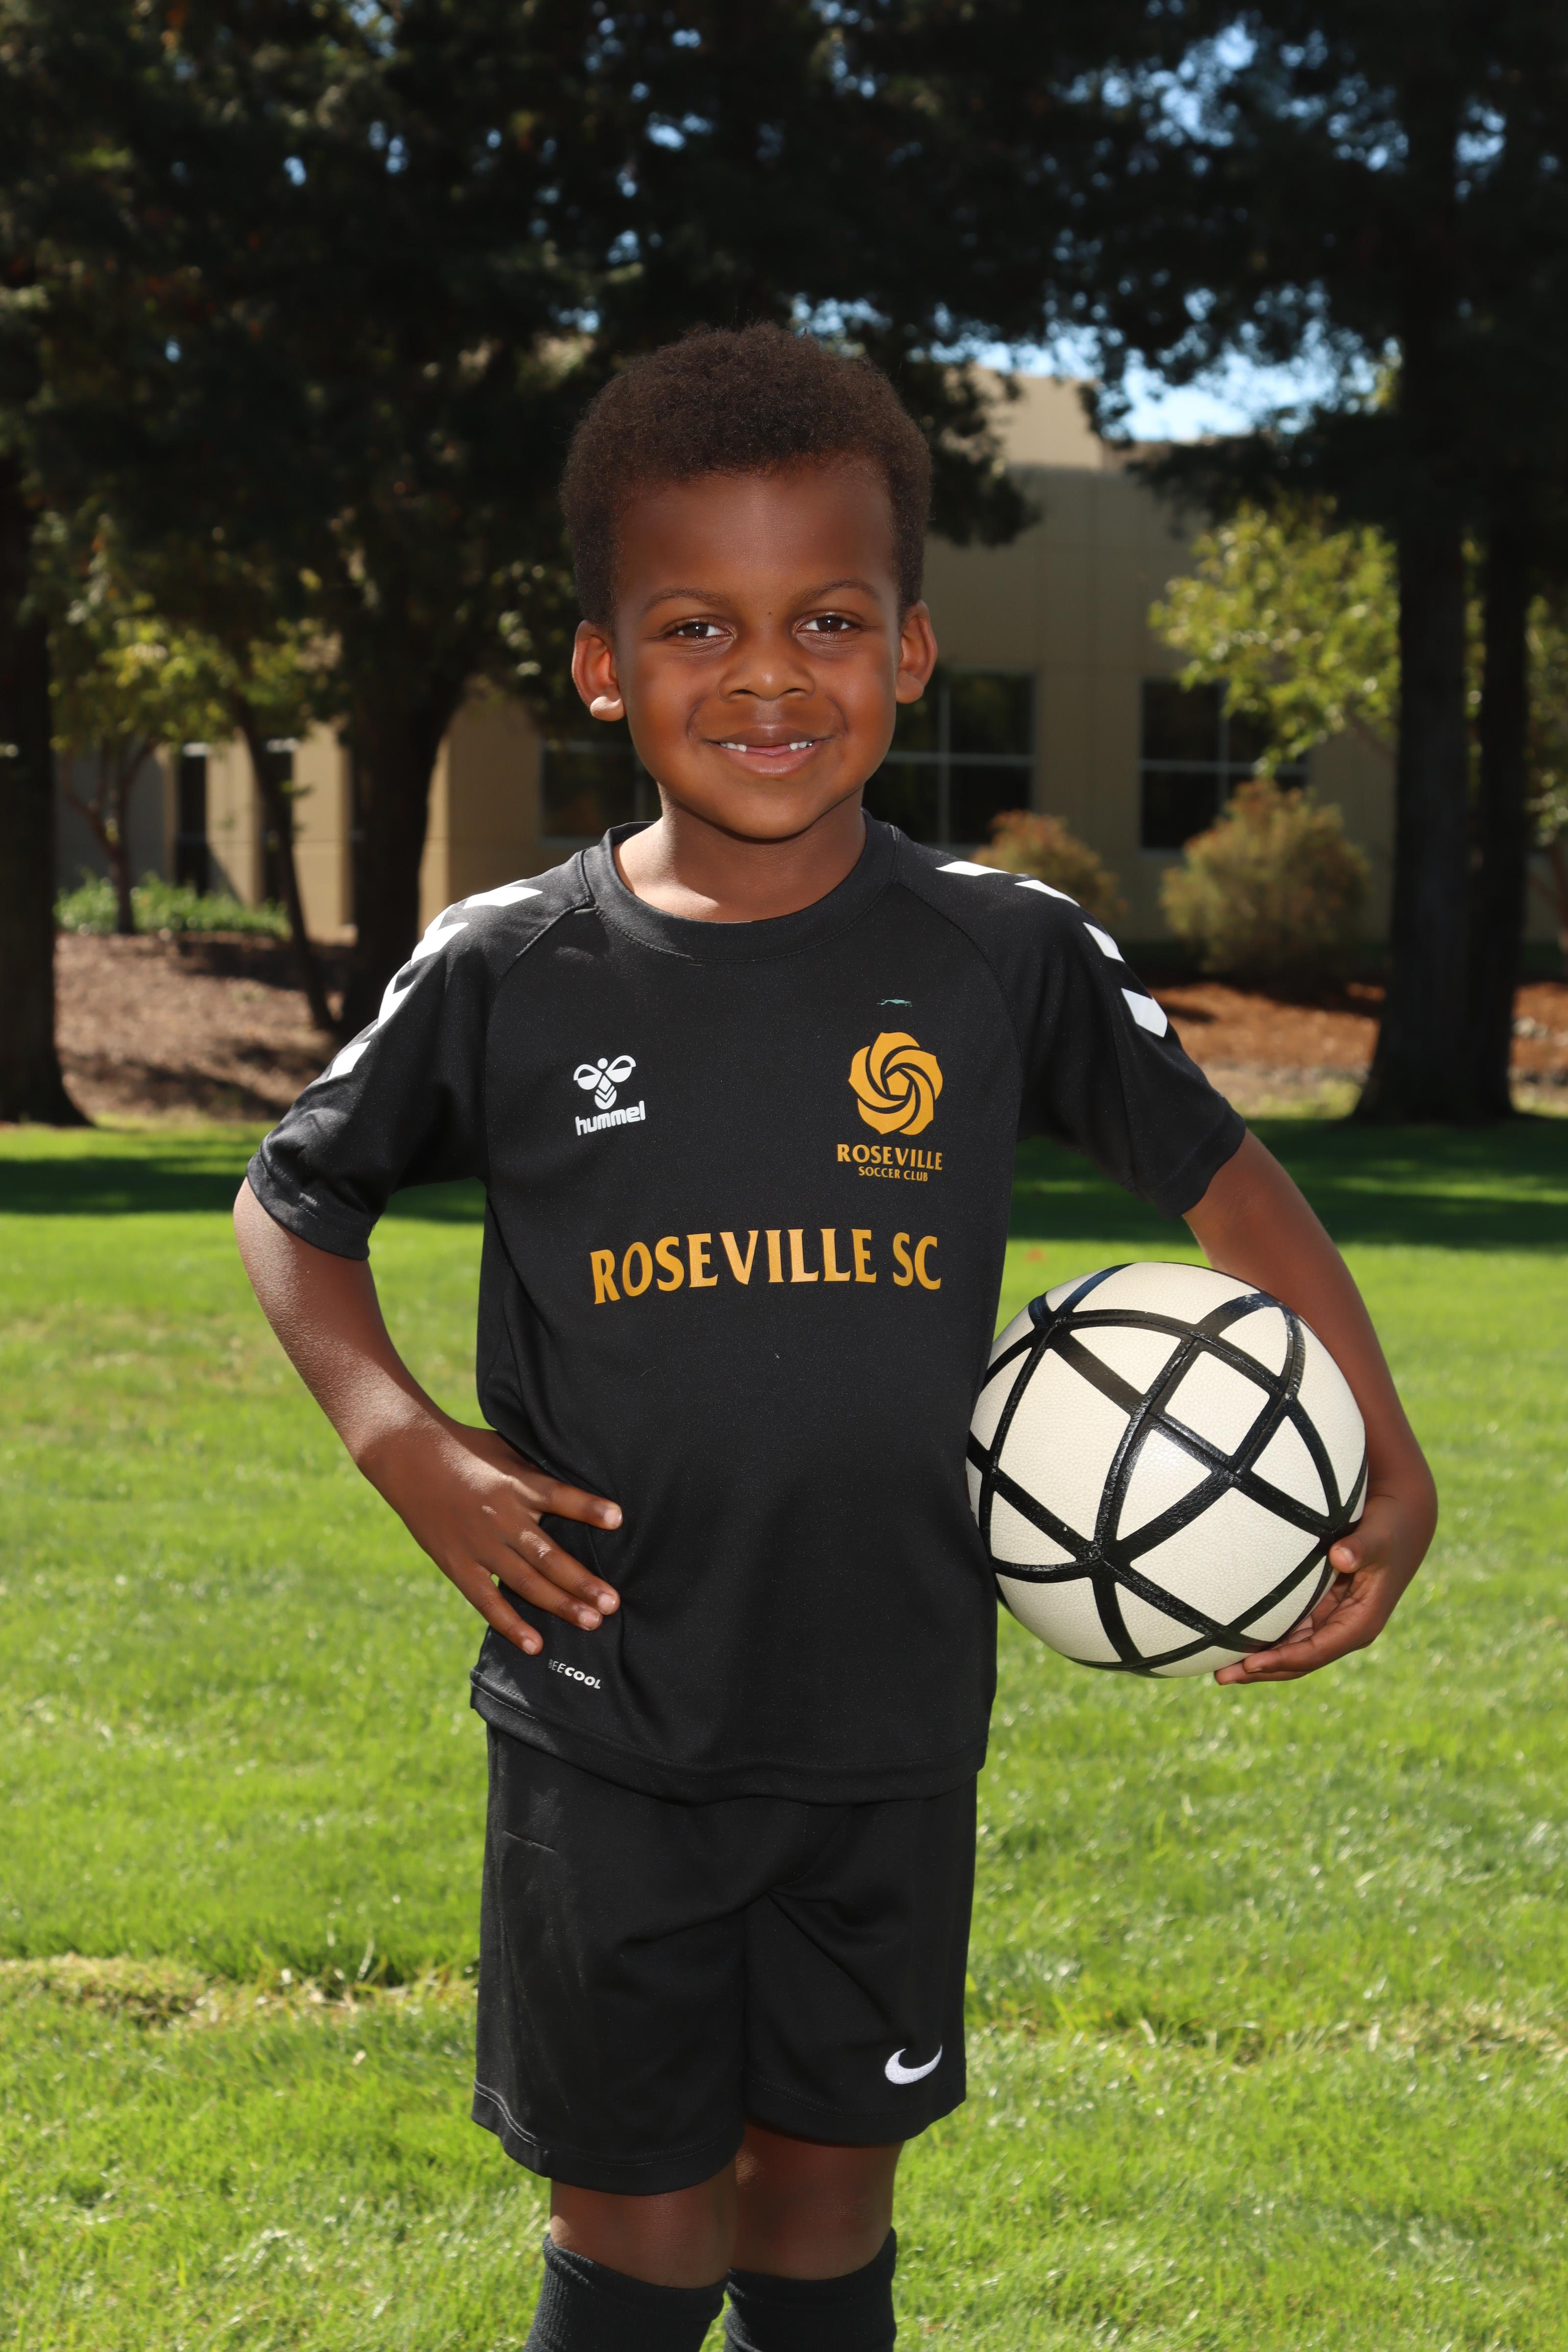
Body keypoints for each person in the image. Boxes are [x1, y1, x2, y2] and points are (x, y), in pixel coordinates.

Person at [234, 324, 1436, 2352]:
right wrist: (401, 1442)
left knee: (816, 2211)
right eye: (695, 626)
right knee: (637, 2227)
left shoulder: (1001, 954)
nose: (766, 677)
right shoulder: (510, 966)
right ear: (602, 665)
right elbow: (291, 1205)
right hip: (609, 1715)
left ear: (909, 649)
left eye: (827, 620)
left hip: (887, 1723)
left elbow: (1230, 1185)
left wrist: (1382, 1454)